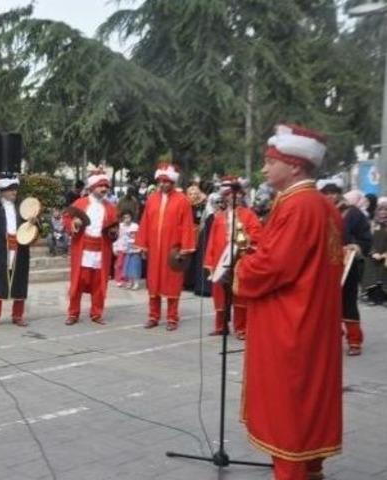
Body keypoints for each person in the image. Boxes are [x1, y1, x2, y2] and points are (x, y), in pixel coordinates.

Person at [234, 124, 343, 480]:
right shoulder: (323, 205)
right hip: (314, 319)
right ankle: (312, 468)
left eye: (270, 161)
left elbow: (273, 265)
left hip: (291, 323)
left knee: (288, 404)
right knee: (311, 398)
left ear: (295, 165)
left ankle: (294, 472)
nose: (264, 169)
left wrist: (241, 267)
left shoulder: (298, 205)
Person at [133, 163, 196, 331]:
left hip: (172, 251)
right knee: (153, 282)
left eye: (166, 181)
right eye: (161, 181)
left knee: (172, 283)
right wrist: (143, 245)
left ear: (173, 182)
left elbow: (187, 225)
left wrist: (184, 248)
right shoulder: (152, 199)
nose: (163, 184)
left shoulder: (182, 201)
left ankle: (172, 318)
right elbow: (145, 222)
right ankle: (153, 316)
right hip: (154, 250)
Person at [203, 176, 262, 339]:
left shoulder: (249, 215)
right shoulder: (218, 217)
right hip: (220, 261)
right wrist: (209, 262)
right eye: (229, 194)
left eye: (236, 194)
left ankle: (241, 328)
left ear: (242, 195)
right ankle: (221, 326)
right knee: (220, 295)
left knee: (240, 293)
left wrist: (247, 242)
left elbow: (257, 236)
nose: (233, 197)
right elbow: (212, 241)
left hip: (241, 261)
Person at [318, 179, 372, 356]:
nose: (330, 196)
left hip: (348, 265)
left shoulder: (353, 213)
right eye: (326, 193)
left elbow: (365, 237)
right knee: (327, 303)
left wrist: (356, 246)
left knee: (348, 302)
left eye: (333, 192)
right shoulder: (319, 212)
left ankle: (354, 340)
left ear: (339, 193)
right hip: (325, 266)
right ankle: (331, 338)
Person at [63, 171, 118, 324]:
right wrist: (74, 223)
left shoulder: (111, 207)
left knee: (99, 284)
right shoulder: (80, 203)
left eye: (106, 186)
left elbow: (115, 229)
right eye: (100, 186)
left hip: (101, 250)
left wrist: (114, 232)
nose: (104, 189)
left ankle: (96, 313)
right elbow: (67, 218)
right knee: (78, 282)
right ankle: (73, 313)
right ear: (93, 186)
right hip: (83, 249)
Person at [0, 175, 31, 328]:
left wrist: (34, 222)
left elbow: (31, 228)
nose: (14, 193)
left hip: (20, 249)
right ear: (2, 192)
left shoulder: (21, 207)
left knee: (20, 281)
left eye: (15, 190)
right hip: (2, 250)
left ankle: (17, 315)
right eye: (10, 190)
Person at [119, 212, 141, 289]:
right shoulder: (121, 226)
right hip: (127, 250)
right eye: (125, 217)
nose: (127, 219)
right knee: (127, 267)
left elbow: (138, 237)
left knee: (135, 267)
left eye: (128, 217)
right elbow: (122, 237)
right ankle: (129, 282)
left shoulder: (135, 226)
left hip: (136, 251)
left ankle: (136, 282)